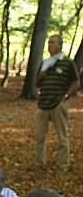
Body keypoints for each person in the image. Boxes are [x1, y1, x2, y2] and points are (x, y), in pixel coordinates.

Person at [35, 34, 80, 172]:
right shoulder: (45, 62)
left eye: (53, 42)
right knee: (39, 136)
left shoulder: (67, 62)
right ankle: (39, 164)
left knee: (62, 136)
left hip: (58, 103)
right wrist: (41, 75)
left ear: (60, 45)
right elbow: (37, 83)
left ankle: (62, 166)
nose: (49, 45)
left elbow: (76, 82)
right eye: (48, 42)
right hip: (43, 103)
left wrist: (66, 96)